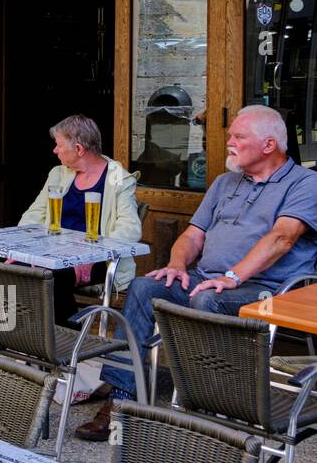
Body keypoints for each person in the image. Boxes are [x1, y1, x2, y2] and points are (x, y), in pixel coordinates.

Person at [76, 105, 317, 440]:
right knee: (145, 287)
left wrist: (232, 277)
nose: (228, 141)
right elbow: (193, 235)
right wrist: (176, 265)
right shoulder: (224, 182)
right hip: (207, 280)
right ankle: (121, 398)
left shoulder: (305, 183)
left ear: (268, 145)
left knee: (208, 299)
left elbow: (282, 238)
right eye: (230, 134)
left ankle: (208, 408)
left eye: (238, 136)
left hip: (269, 289)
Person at [19, 115, 143, 325]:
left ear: (78, 148)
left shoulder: (118, 179)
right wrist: (20, 249)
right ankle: (2, 339)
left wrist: (89, 256)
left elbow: (130, 229)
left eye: (58, 145)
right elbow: (33, 216)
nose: (54, 151)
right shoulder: (58, 174)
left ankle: (63, 343)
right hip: (52, 252)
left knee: (50, 276)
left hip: (97, 260)